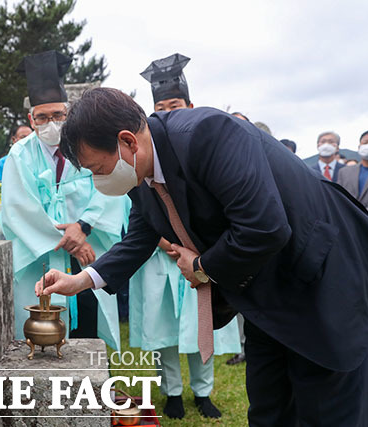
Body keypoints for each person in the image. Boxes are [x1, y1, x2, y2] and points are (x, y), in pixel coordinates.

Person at [37, 87, 368, 426]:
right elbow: (140, 236)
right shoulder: (140, 171)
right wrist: (81, 280)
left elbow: (265, 227)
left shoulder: (208, 135)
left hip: (319, 281)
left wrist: (201, 267)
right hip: (263, 297)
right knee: (269, 410)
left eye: (98, 168)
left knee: (327, 410)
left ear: (127, 142)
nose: (98, 181)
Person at [0, 51, 128, 350]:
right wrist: (69, 239)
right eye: (42, 117)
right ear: (31, 119)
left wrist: (84, 227)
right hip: (42, 253)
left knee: (90, 318)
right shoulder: (20, 154)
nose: (51, 123)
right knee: (43, 321)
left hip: (90, 245)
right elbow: (18, 209)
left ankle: (93, 387)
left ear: (68, 113)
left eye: (58, 115)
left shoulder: (87, 145)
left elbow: (110, 188)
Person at [137, 54, 240, 419]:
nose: (166, 113)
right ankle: (173, 391)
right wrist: (165, 241)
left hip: (200, 257)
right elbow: (141, 216)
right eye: (159, 108)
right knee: (164, 328)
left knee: (203, 321)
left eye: (174, 105)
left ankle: (203, 390)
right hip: (161, 257)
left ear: (190, 106)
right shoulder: (147, 153)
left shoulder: (200, 145)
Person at [337, 130, 368, 213]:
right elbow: (338, 197)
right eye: (365, 142)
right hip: (347, 221)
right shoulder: (344, 172)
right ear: (359, 146)